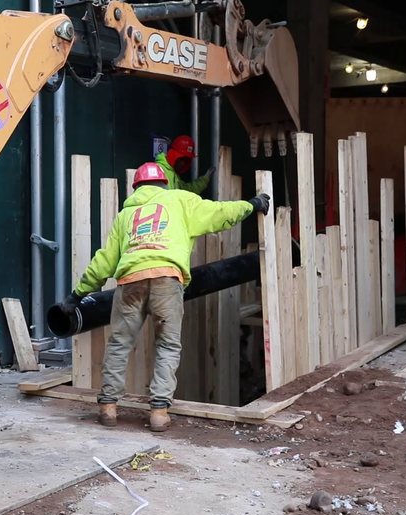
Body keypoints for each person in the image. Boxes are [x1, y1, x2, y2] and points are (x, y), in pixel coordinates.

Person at [61, 162, 269, 432]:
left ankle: (108, 408)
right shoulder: (180, 200)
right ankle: (159, 412)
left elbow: (104, 261)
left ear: (136, 188)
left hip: (130, 283)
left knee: (119, 344)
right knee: (167, 346)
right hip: (166, 280)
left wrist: (76, 296)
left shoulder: (126, 215)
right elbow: (221, 213)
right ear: (164, 183)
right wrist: (252, 205)